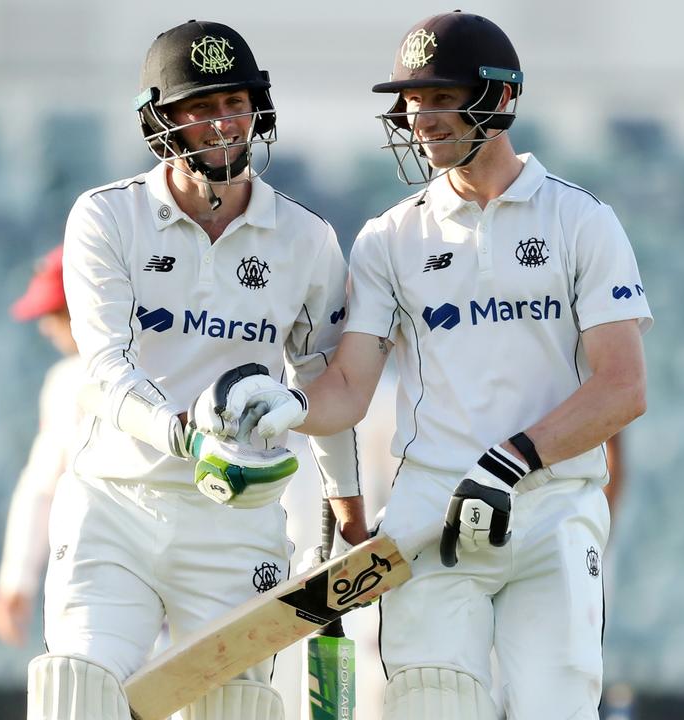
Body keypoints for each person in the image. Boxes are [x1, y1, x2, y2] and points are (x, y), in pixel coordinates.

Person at [203, 12, 652, 719]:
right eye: (412, 103)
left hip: (552, 513)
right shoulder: (390, 237)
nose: (422, 119)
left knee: (556, 705)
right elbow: (350, 384)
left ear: (500, 100)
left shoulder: (580, 222)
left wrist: (511, 462)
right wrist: (294, 406)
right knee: (432, 706)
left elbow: (623, 388)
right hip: (432, 521)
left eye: (442, 98)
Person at [26, 20, 365, 720]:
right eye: (201, 108)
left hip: (237, 523)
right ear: (162, 121)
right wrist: (185, 436)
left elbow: (322, 377)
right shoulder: (106, 218)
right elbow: (106, 368)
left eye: (234, 105)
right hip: (116, 506)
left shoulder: (305, 239)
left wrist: (347, 503)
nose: (222, 125)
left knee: (234, 705)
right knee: (78, 689)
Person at [0, 246, 80, 647]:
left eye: (56, 313)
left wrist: (16, 582)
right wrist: (15, 580)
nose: (46, 327)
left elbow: (42, 489)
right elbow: (40, 489)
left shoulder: (70, 383)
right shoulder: (66, 381)